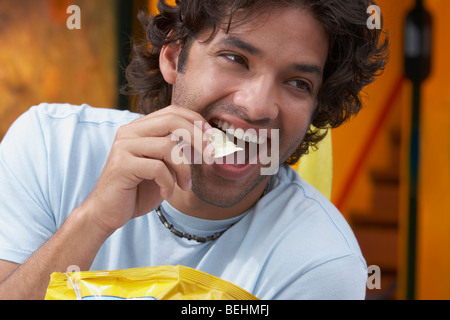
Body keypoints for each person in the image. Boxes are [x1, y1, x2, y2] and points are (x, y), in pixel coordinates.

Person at [0, 0, 388, 299]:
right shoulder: (52, 147)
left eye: (298, 83)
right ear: (172, 56)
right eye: (236, 59)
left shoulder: (318, 259)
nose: (258, 106)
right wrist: (92, 221)